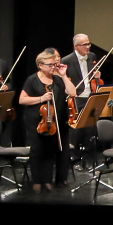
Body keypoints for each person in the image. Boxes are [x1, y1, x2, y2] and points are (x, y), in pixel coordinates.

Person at [17, 49, 75, 192]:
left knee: (50, 151)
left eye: (54, 65)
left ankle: (47, 180)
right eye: (50, 65)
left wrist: (64, 76)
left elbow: (73, 92)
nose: (53, 67)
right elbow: (22, 100)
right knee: (37, 150)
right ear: (40, 65)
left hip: (54, 122)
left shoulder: (58, 80)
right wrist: (41, 99)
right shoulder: (32, 80)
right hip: (35, 120)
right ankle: (37, 181)